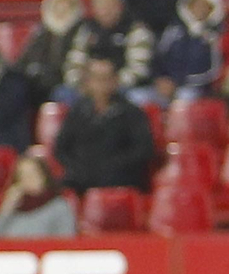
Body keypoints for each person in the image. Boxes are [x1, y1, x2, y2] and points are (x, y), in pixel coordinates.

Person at [54, 55, 156, 193]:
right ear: (88, 82)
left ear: (115, 81)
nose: (101, 84)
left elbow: (144, 150)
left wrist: (111, 165)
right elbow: (61, 148)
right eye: (96, 78)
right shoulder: (77, 112)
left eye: (106, 78)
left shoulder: (132, 113)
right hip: (80, 177)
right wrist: (78, 167)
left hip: (119, 178)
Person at [64, 0, 156, 101]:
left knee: (137, 98)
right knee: (63, 94)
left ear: (120, 6)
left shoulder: (136, 30)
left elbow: (139, 70)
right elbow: (73, 65)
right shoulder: (86, 30)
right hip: (89, 87)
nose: (104, 9)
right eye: (99, 4)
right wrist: (85, 83)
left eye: (109, 4)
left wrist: (108, 84)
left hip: (124, 87)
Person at [153, 0, 224, 103]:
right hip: (167, 85)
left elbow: (214, 71)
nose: (200, 9)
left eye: (205, 5)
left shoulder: (215, 35)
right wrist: (160, 79)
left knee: (185, 98)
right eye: (196, 4)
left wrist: (178, 83)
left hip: (199, 90)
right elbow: (159, 58)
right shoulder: (174, 31)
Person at [16, 0, 84, 104]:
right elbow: (23, 62)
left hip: (66, 83)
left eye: (65, 8)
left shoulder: (81, 32)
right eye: (57, 8)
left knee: (64, 93)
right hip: (40, 83)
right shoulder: (41, 34)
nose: (60, 12)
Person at [0, 153, 77, 238]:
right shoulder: (12, 210)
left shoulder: (59, 207)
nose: (29, 179)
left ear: (44, 177)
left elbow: (65, 242)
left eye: (33, 174)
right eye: (23, 175)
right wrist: (6, 209)